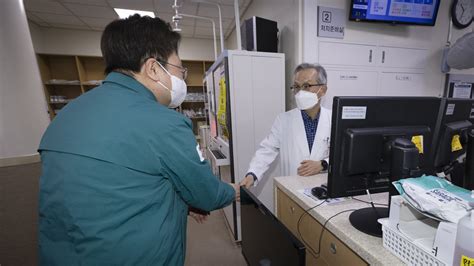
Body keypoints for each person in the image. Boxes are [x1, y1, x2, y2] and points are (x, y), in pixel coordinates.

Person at [38, 15, 239, 265]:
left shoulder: (66, 115)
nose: (182, 79)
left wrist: (182, 204)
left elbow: (114, 186)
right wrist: (231, 191)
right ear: (154, 68)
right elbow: (208, 194)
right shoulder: (163, 123)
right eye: (180, 70)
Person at [240, 63, 331, 188]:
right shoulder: (283, 120)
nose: (300, 92)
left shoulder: (333, 119)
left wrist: (323, 164)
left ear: (323, 90)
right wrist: (252, 174)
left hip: (323, 190)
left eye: (306, 86)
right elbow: (267, 149)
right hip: (292, 190)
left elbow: (343, 156)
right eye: (296, 87)